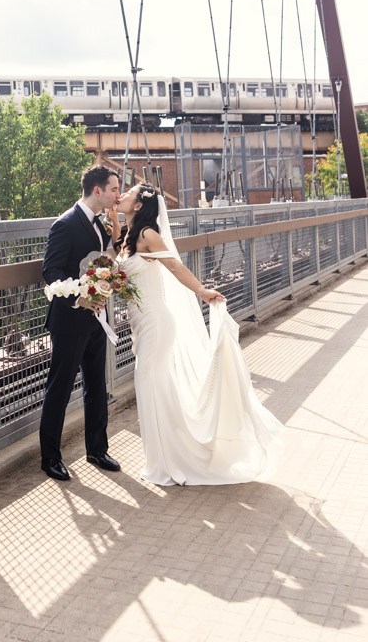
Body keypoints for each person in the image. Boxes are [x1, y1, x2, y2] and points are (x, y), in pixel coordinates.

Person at [108, 182, 284, 486]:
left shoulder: (149, 235)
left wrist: (202, 290)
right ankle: (163, 457)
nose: (121, 194)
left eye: (128, 193)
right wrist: (114, 221)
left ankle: (166, 462)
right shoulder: (129, 234)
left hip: (155, 323)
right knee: (154, 390)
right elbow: (120, 254)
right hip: (142, 324)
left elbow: (174, 266)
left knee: (149, 386)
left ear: (139, 205)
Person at [39, 165, 122, 481]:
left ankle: (97, 450)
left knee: (96, 386)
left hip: (96, 317)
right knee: (59, 388)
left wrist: (101, 291)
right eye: (114, 189)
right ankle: (50, 458)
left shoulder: (100, 226)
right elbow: (51, 271)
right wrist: (81, 296)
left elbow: (104, 264)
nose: (117, 194)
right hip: (70, 318)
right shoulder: (65, 224)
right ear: (97, 191)